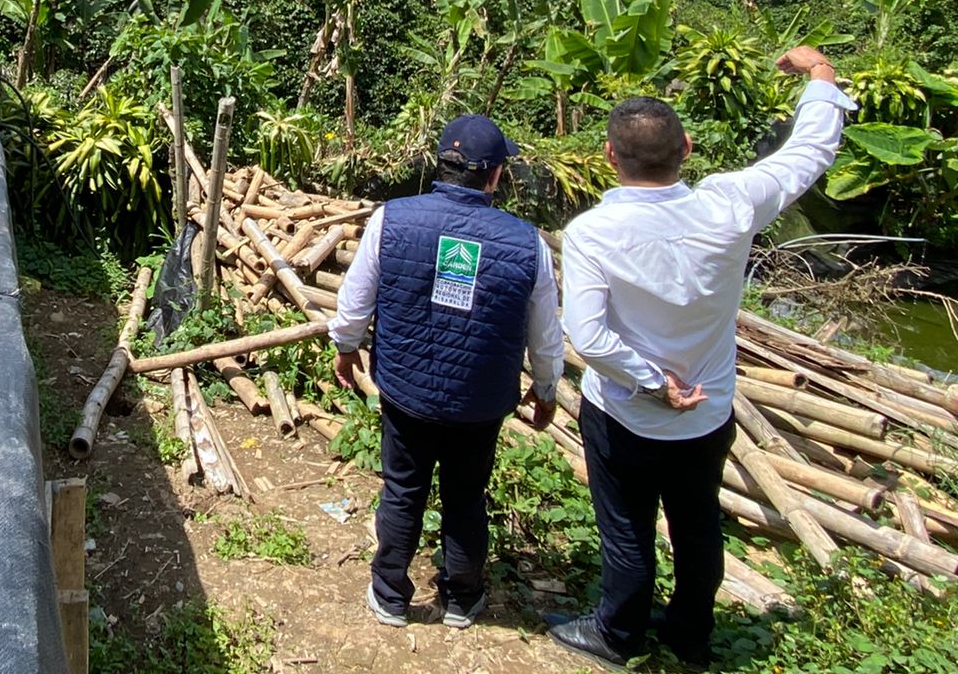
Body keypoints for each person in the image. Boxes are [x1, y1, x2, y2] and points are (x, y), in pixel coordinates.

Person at [547, 45, 854, 668]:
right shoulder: (730, 205)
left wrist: (651, 381)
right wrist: (820, 76)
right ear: (686, 148)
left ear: (609, 157)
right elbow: (808, 154)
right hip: (707, 414)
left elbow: (589, 334)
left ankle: (618, 634)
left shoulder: (592, 234)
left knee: (627, 528)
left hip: (626, 414)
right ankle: (690, 634)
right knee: (695, 524)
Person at [330, 114, 564, 630]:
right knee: (465, 494)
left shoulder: (393, 219)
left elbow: (355, 301)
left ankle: (391, 594)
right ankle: (461, 598)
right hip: (479, 403)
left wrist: (346, 348)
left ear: (440, 164)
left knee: (402, 488)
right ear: (495, 174)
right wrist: (545, 389)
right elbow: (546, 335)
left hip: (405, 389)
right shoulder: (527, 245)